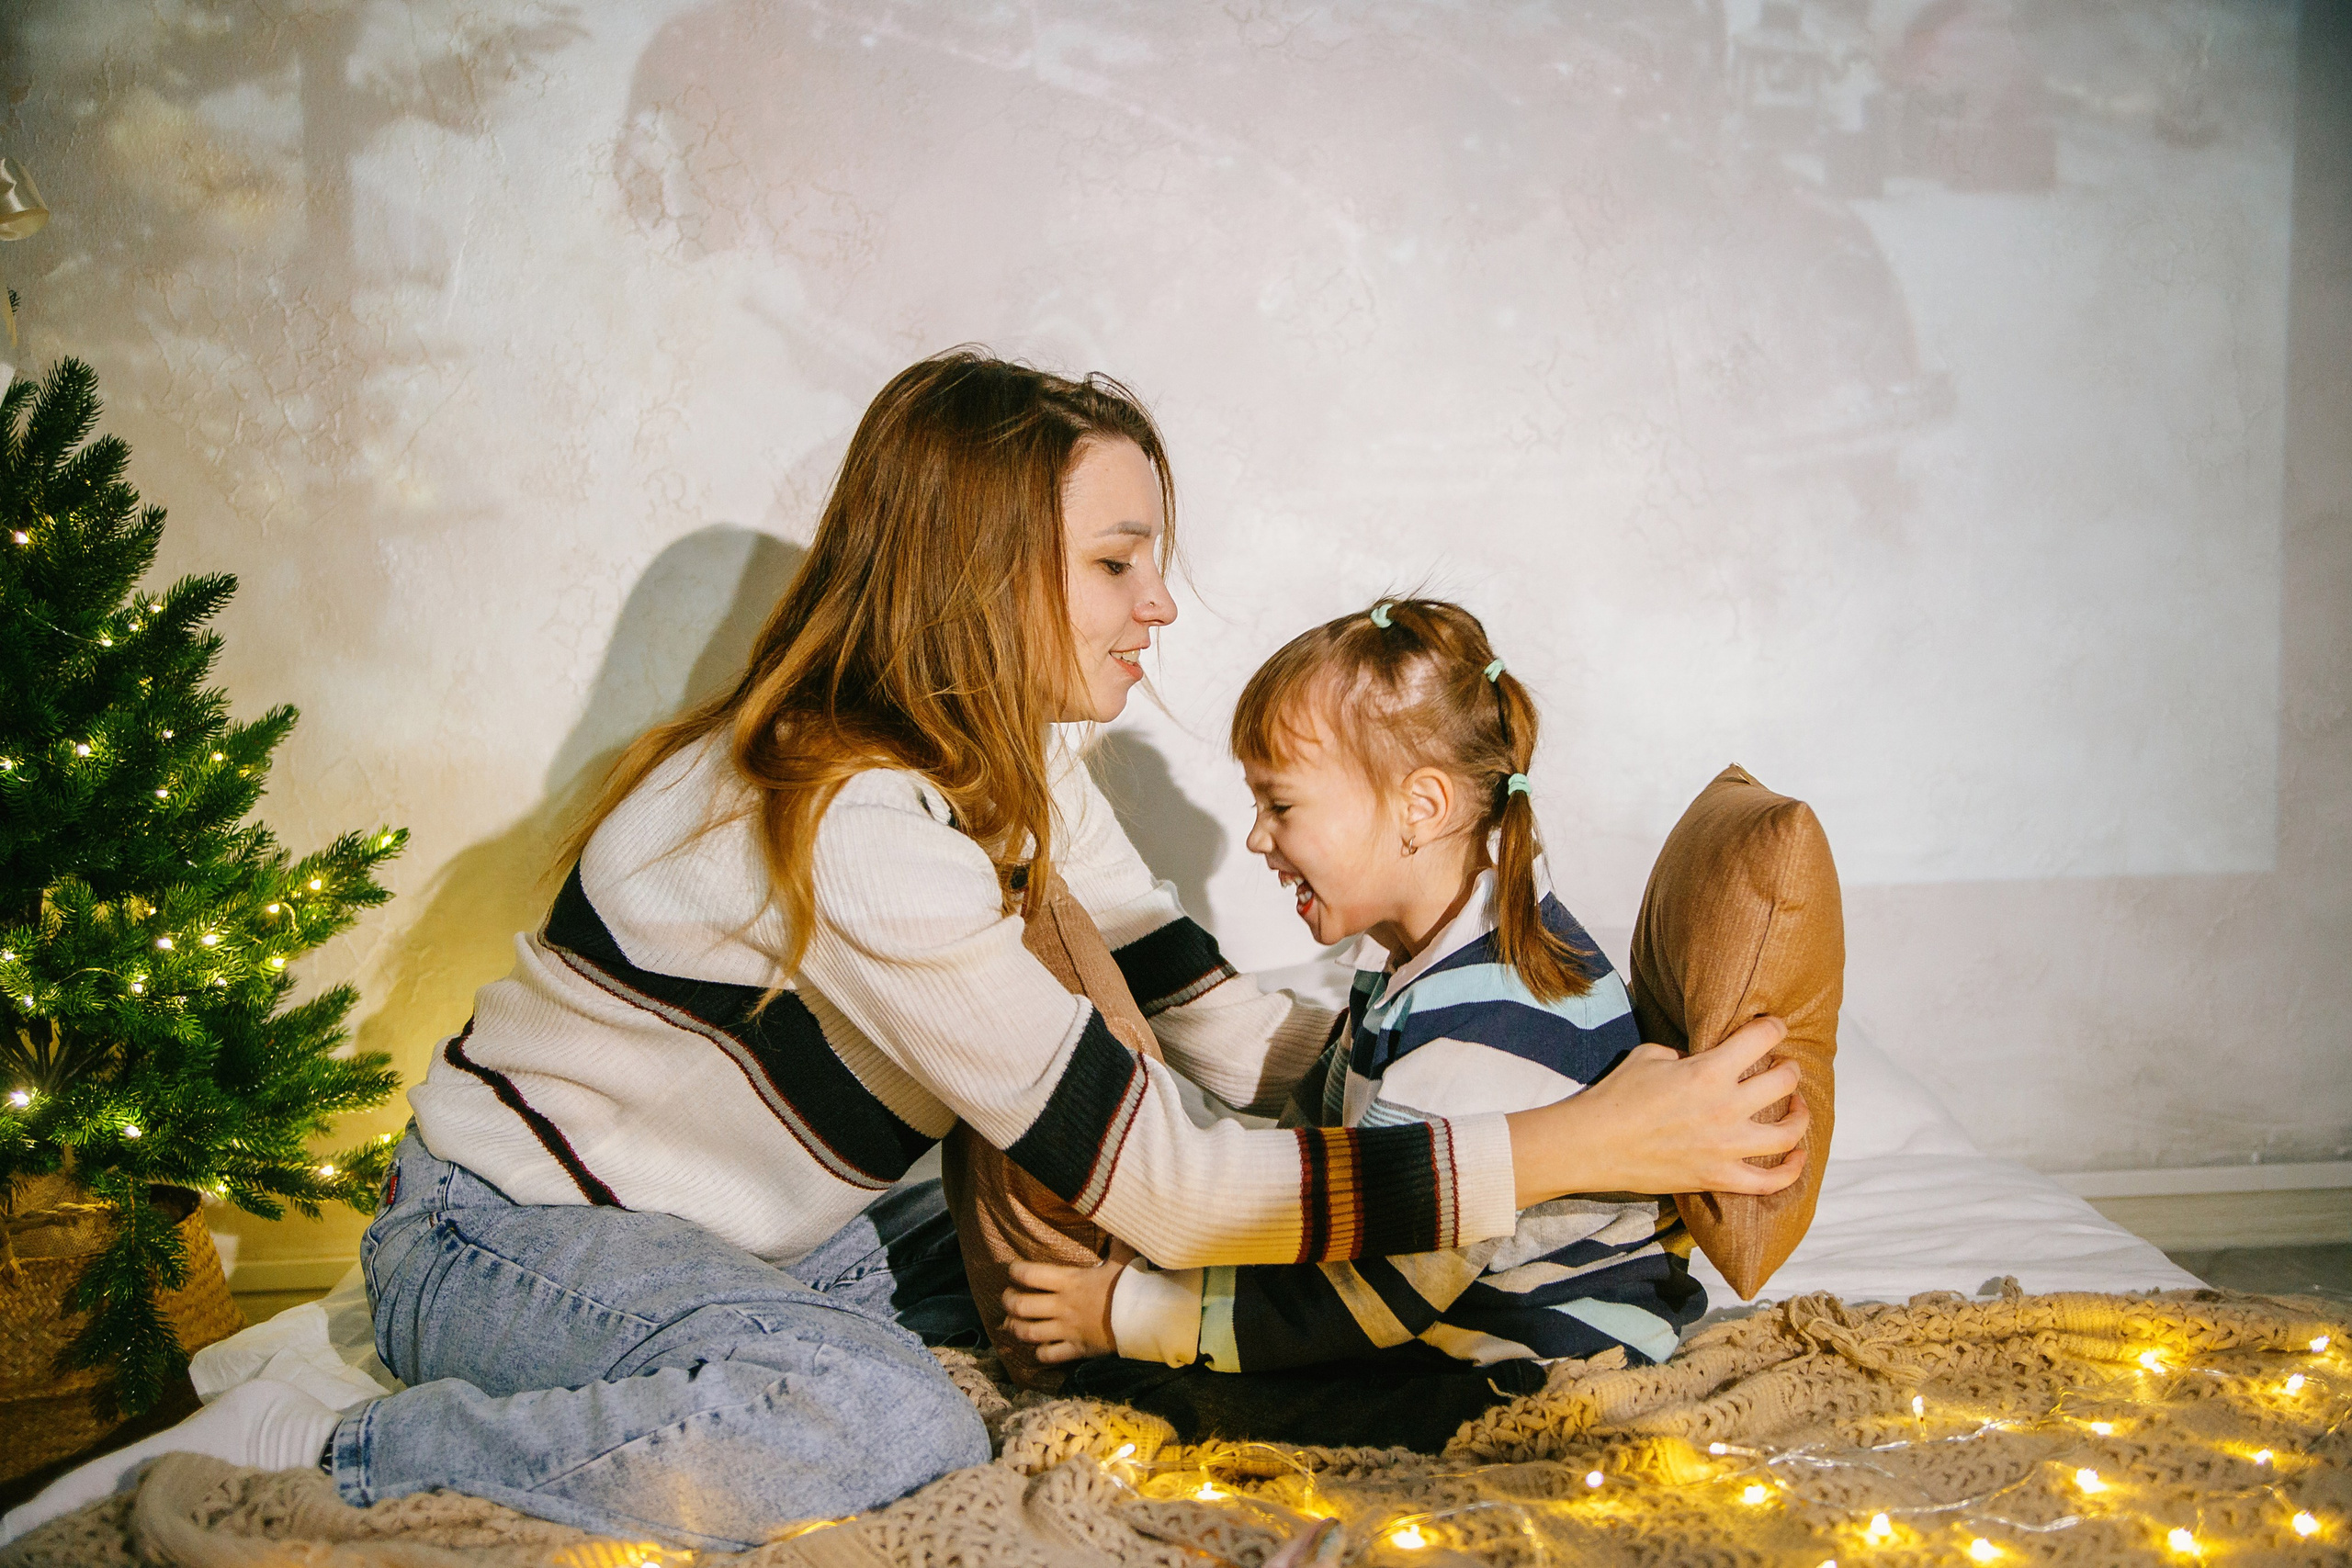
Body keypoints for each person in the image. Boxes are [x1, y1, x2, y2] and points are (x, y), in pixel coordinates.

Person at [0, 354, 1804, 1553]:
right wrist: (1576, 1143)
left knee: (1120, 1294)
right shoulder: (854, 820)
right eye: (1117, 562)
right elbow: (1182, 1184)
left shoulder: (1019, 766)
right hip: (507, 1233)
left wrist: (1492, 1066)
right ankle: (355, 1456)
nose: (1161, 603)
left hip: (793, 1230)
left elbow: (1212, 1032)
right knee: (884, 1423)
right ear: (987, 573)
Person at [998, 598, 1705, 1450]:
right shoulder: (1418, 960)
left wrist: (1130, 1313)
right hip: (1434, 1305)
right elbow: (1319, 1144)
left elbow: (1366, 1297)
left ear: (1420, 807)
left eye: (1280, 804)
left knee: (1160, 1395)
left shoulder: (1481, 1027)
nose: (1255, 837)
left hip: (1529, 1363)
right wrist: (1191, 1259)